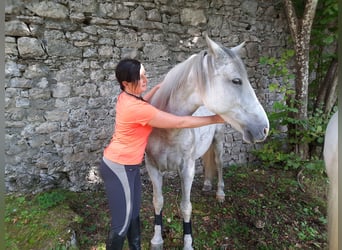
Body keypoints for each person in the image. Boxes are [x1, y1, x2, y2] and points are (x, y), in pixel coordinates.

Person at [99, 58, 225, 250]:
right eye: (139, 77)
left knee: (133, 215)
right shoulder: (138, 109)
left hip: (127, 166)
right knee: (121, 224)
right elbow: (180, 122)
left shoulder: (125, 98)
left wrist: (157, 89)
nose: (145, 80)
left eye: (145, 74)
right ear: (126, 83)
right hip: (119, 167)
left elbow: (142, 101)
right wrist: (214, 118)